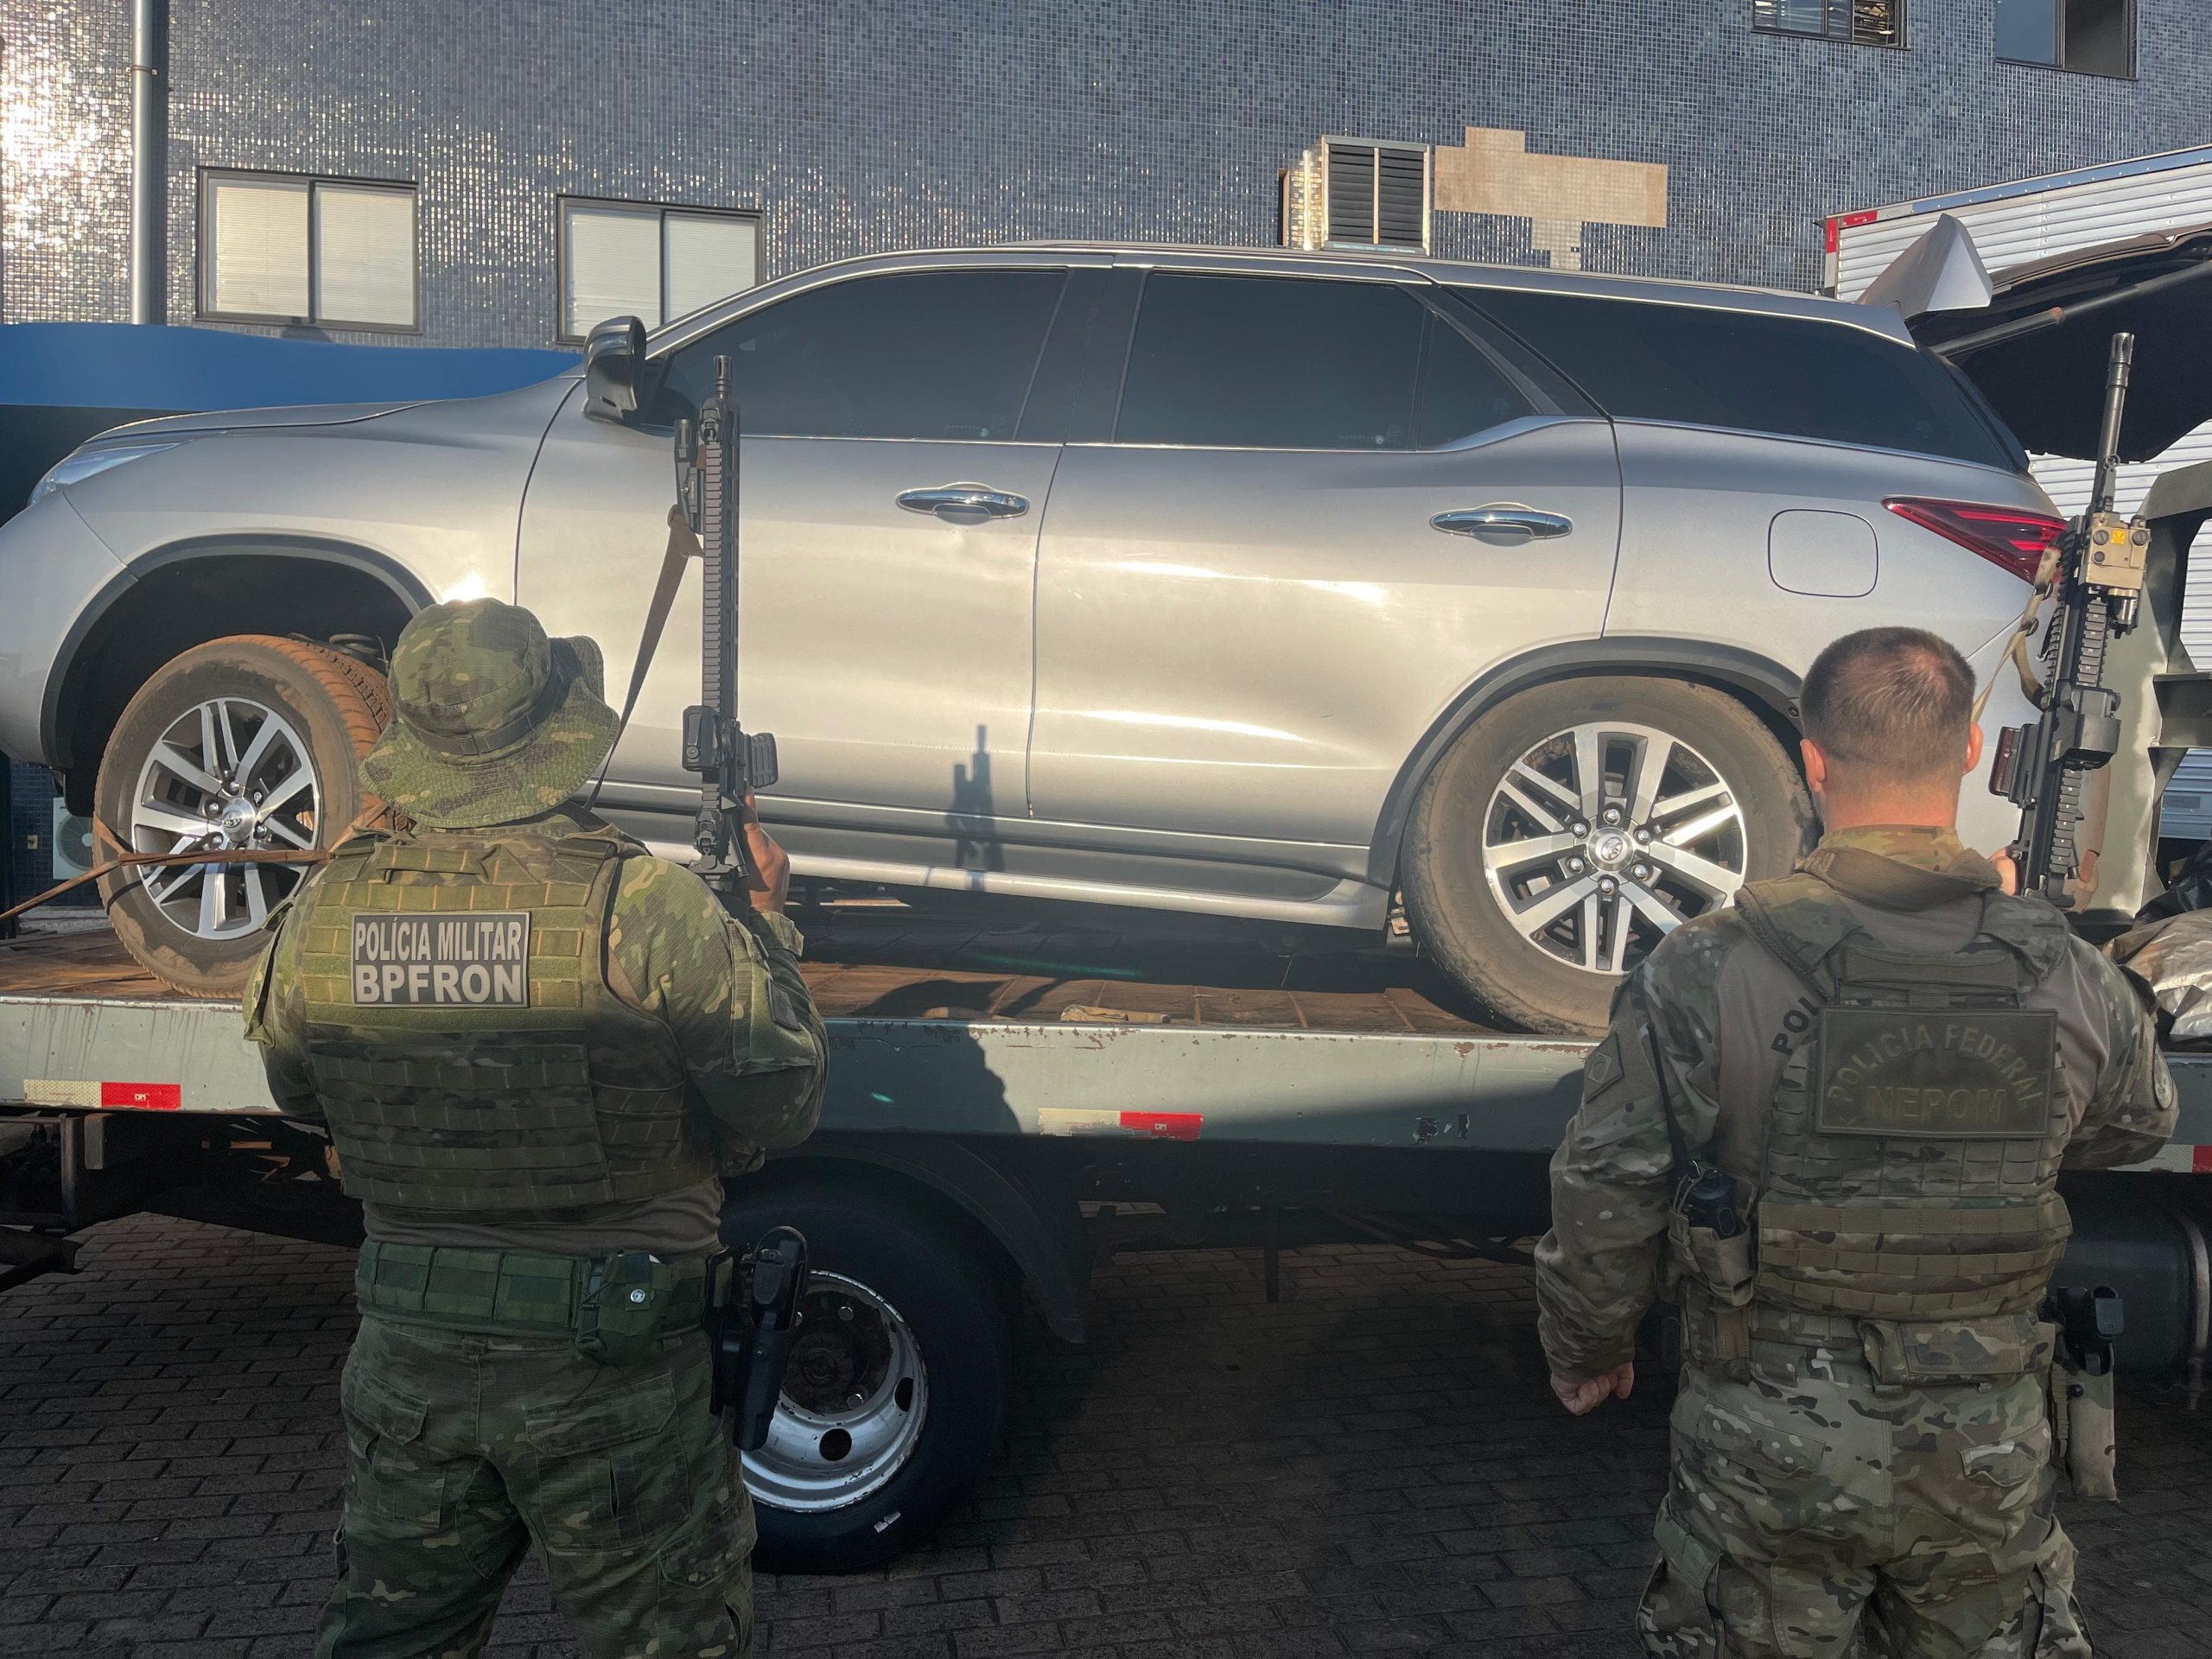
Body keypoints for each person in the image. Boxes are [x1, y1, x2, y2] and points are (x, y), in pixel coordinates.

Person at [1534, 626, 2177, 1658]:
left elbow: (1608, 1184)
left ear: (1812, 760)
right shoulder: (2067, 972)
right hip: (1984, 1451)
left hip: (1766, 1448)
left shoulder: (1706, 967)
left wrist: (1588, 1346)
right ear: (1970, 749)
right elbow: (2137, 1124)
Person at [243, 597, 826, 1659]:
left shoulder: (325, 908)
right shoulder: (644, 904)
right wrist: (765, 925)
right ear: (560, 737)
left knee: (392, 1640)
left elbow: (300, 1092)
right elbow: (779, 1105)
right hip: (611, 1367)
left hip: (408, 1356)